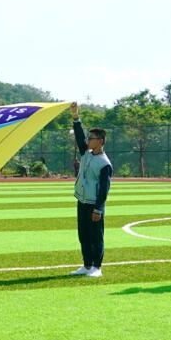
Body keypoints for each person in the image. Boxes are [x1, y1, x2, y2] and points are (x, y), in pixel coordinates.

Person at [69, 103, 111, 278]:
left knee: (96, 237)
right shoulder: (87, 154)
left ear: (100, 141)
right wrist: (75, 117)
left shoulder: (104, 164)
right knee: (84, 235)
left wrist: (98, 209)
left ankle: (97, 267)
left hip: (94, 204)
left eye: (91, 138)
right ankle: (86, 265)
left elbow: (104, 189)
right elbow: (79, 138)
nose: (88, 140)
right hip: (82, 200)